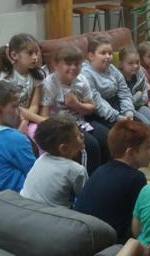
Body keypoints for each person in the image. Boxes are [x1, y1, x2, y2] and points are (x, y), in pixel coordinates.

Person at [74, 119, 150, 242]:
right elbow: (139, 224)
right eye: (147, 148)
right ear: (130, 152)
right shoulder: (136, 178)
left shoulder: (101, 169)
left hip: (83, 234)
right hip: (107, 242)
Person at [40, 46, 109, 174]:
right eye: (68, 64)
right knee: (91, 145)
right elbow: (45, 115)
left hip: (81, 120)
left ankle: (105, 175)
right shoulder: (50, 83)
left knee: (106, 137)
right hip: (63, 126)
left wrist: (76, 105)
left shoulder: (82, 80)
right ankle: (88, 180)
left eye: (77, 64)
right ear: (56, 65)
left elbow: (91, 107)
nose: (73, 68)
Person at [20, 115, 88, 207]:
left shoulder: (41, 158)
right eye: (77, 135)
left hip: (23, 206)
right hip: (51, 213)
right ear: (64, 148)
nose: (82, 135)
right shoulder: (76, 170)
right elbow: (85, 197)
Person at [0, 33, 45, 136]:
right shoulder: (5, 77)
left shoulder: (37, 75)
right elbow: (12, 106)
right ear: (14, 55)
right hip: (9, 119)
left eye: (36, 53)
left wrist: (25, 121)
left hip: (27, 118)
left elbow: (34, 105)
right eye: (30, 53)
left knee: (37, 133)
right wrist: (41, 120)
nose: (35, 57)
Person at [119, 46, 150, 155]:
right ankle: (149, 155)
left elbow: (145, 94)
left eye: (137, 62)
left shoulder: (140, 74)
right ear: (121, 64)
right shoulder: (118, 78)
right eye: (130, 63)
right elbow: (126, 101)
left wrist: (139, 97)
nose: (135, 66)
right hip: (128, 110)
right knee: (147, 125)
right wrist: (138, 95)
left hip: (139, 105)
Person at [81, 36, 135, 128]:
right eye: (103, 53)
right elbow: (97, 102)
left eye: (110, 53)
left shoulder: (112, 69)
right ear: (91, 56)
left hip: (119, 106)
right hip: (100, 113)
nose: (108, 56)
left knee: (144, 125)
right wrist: (118, 117)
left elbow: (124, 91)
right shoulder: (86, 75)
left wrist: (128, 112)